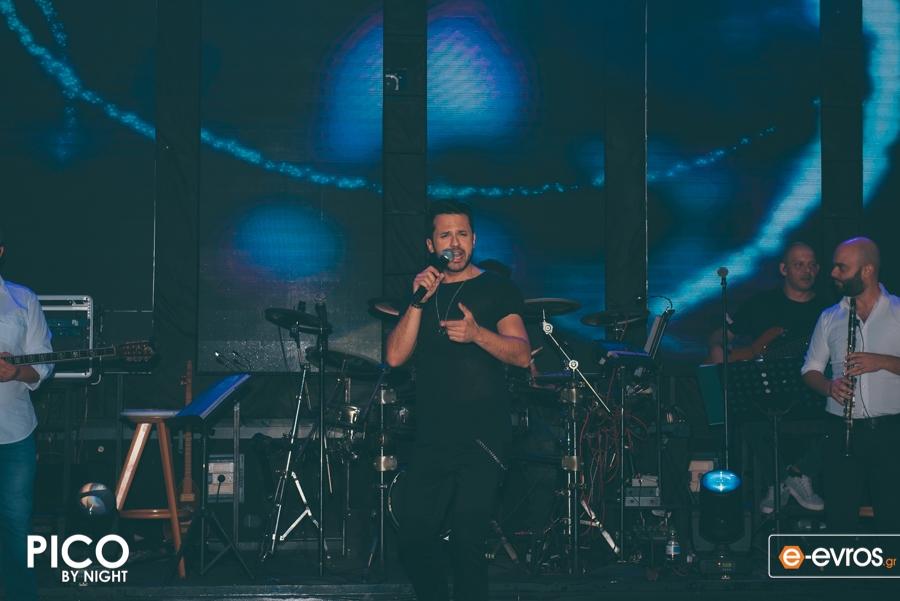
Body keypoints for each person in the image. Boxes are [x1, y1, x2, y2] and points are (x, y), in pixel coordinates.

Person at [386, 200, 531, 601]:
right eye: (446, 235)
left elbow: (522, 354)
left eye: (462, 234)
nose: (455, 243)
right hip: (433, 437)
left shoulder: (497, 288)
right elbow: (395, 357)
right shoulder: (421, 293)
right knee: (413, 539)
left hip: (484, 437)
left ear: (474, 239)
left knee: (467, 539)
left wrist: (477, 334)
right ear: (431, 245)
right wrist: (418, 300)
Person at [707, 242, 828, 515]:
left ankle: (799, 474)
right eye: (799, 264)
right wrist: (716, 349)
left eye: (812, 265)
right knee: (749, 415)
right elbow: (720, 334)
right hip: (766, 395)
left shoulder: (829, 311)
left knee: (846, 419)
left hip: (811, 392)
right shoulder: (760, 304)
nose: (807, 270)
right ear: (784, 269)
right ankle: (777, 483)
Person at [801, 237, 900, 534]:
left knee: (892, 521)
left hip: (891, 434)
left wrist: (883, 361)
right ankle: (841, 566)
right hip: (840, 433)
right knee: (839, 522)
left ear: (867, 271)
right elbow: (810, 369)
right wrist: (829, 387)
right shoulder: (830, 317)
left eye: (841, 267)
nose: (832, 273)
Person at [0, 225, 54, 601]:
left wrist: (16, 371)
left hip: (14, 432)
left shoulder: (23, 299)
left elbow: (45, 363)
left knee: (17, 523)